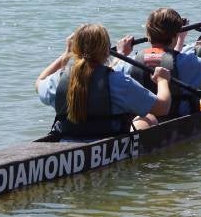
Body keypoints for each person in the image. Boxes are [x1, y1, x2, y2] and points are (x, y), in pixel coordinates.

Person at [36, 23, 172, 138]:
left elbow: (39, 83)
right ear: (107, 51)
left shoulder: (58, 80)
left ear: (75, 49)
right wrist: (162, 81)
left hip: (67, 140)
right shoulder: (119, 82)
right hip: (108, 144)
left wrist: (65, 55)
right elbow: (163, 108)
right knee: (150, 118)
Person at [117, 5, 201, 117]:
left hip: (143, 120)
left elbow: (111, 72)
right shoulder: (187, 62)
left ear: (148, 36)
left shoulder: (128, 63)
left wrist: (121, 54)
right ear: (176, 35)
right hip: (178, 119)